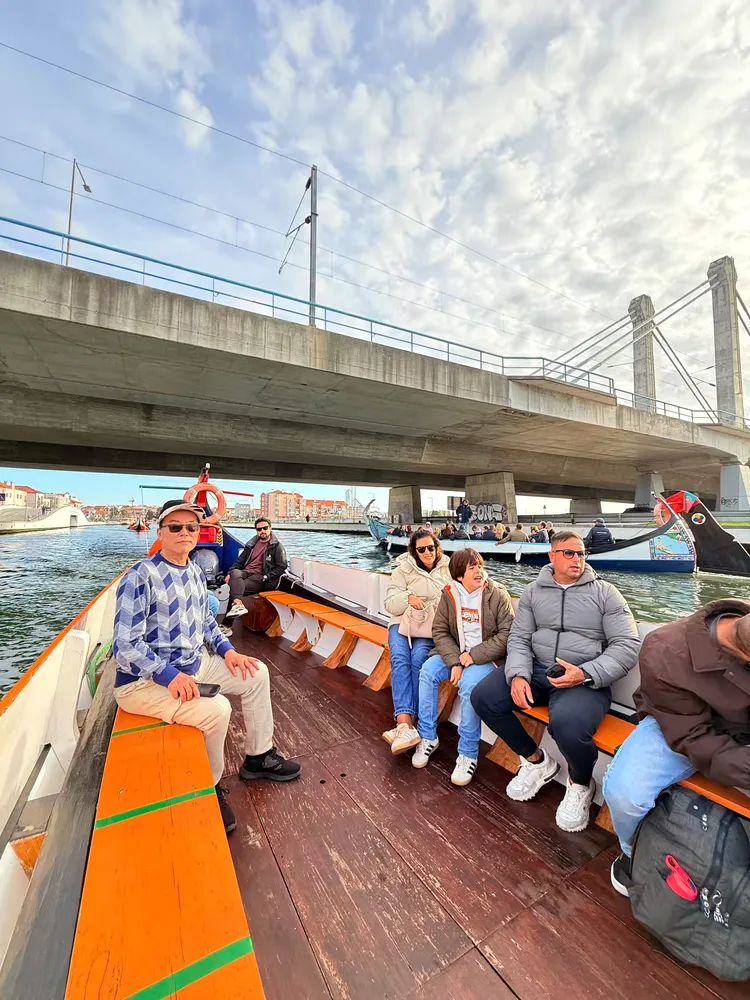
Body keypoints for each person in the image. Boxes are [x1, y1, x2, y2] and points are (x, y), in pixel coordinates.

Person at [112, 500, 301, 835]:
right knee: (217, 709)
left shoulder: (195, 573)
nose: (185, 533)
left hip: (195, 664)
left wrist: (228, 652)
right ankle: (209, 787)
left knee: (256, 673)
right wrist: (168, 676)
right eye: (175, 527)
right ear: (160, 533)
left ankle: (258, 757)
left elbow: (206, 624)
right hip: (143, 683)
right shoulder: (141, 576)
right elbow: (125, 645)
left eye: (192, 527)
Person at [471, 530, 640, 832]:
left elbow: (627, 645)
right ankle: (536, 761)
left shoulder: (606, 593)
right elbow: (519, 638)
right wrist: (518, 674)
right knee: (483, 697)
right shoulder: (533, 592)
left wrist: (585, 673)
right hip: (537, 670)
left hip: (584, 677)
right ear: (552, 556)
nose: (577, 559)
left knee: (567, 725)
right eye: (569, 553)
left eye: (581, 553)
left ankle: (580, 783)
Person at [603, 599, 750, 895]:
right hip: (682, 722)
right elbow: (692, 736)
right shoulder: (665, 650)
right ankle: (634, 852)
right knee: (624, 793)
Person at [413, 549, 514, 786]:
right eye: (472, 568)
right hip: (456, 653)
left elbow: (507, 635)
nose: (479, 571)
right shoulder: (449, 594)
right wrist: (455, 661)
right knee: (427, 672)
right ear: (459, 575)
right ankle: (427, 737)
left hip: (486, 657)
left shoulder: (497, 594)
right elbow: (440, 631)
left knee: (469, 686)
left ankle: (468, 753)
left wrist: (473, 656)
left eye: (480, 566)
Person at [382, 530, 451, 753]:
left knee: (419, 657)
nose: (427, 552)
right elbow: (390, 604)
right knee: (399, 658)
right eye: (421, 549)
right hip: (402, 622)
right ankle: (405, 722)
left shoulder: (449, 568)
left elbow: (470, 579)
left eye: (431, 547)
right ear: (414, 551)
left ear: (437, 547)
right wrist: (408, 598)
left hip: (429, 626)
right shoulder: (402, 569)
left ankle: (408, 726)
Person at [225, 517, 287, 618]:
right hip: (247, 572)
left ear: (270, 528)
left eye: (265, 528)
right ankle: (237, 604)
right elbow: (240, 561)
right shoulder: (251, 544)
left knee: (236, 586)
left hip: (261, 577)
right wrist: (229, 573)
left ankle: (227, 623)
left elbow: (281, 567)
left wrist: (266, 577)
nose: (262, 531)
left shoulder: (277, 547)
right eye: (259, 529)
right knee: (234, 573)